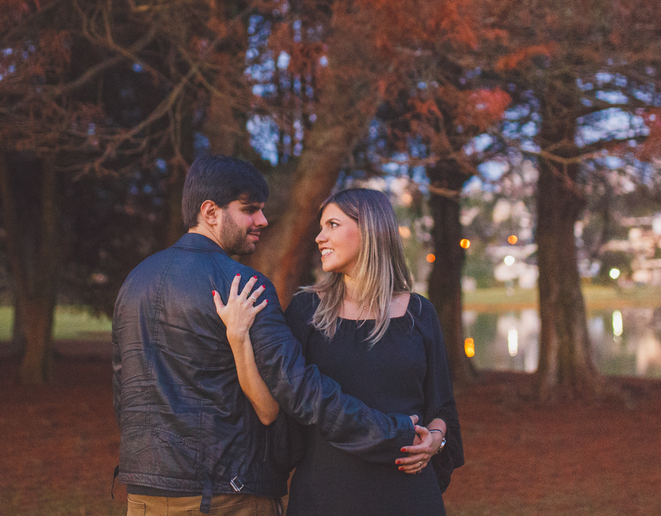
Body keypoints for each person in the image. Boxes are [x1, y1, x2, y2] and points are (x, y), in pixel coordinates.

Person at [112, 156, 427, 516]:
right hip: (227, 497)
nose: (262, 220)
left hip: (144, 495)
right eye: (249, 210)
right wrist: (390, 432)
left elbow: (124, 390)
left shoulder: (135, 282)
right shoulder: (243, 287)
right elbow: (299, 388)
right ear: (210, 212)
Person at [215, 187, 464, 516]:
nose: (320, 237)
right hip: (326, 495)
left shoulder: (419, 312)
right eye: (321, 227)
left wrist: (435, 438)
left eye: (332, 225)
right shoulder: (307, 311)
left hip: (408, 494)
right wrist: (237, 338)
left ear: (371, 230)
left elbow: (442, 406)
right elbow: (270, 408)